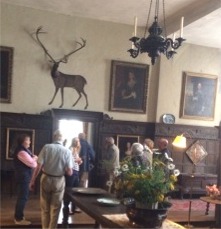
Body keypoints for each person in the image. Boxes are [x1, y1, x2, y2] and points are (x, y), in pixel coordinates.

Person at [29, 129, 73, 229]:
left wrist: (32, 180)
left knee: (45, 208)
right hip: (59, 180)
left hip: (46, 178)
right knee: (55, 208)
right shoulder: (67, 151)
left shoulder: (47, 147)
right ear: (63, 139)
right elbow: (70, 173)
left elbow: (38, 166)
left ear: (54, 137)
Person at [13, 134, 38, 225]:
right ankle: (18, 219)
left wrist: (33, 159)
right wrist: (34, 158)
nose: (30, 142)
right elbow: (33, 164)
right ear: (23, 141)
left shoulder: (25, 151)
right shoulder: (22, 152)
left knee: (23, 197)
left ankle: (19, 216)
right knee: (23, 197)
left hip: (24, 177)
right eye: (28, 140)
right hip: (23, 177)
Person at [62, 137, 82, 227]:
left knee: (76, 190)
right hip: (71, 171)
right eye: (77, 141)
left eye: (78, 141)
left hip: (76, 171)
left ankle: (74, 207)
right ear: (74, 142)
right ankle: (68, 208)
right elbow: (68, 160)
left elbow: (77, 161)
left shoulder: (76, 150)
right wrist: (77, 160)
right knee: (69, 190)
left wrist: (79, 161)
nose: (78, 143)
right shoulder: (70, 149)